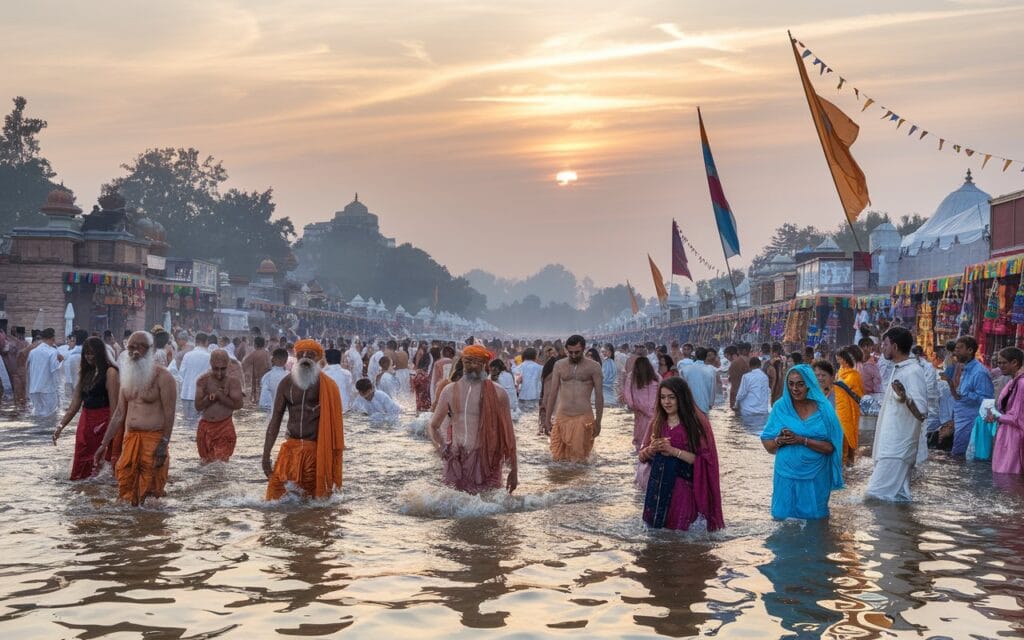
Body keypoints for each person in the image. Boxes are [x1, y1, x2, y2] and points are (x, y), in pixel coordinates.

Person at [92, 331, 177, 506]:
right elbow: (119, 414)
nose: (135, 352)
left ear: (151, 350)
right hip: (130, 440)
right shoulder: (127, 377)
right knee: (125, 491)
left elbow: (170, 415)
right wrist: (103, 444)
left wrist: (163, 445)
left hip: (153, 442)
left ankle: (149, 527)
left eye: (141, 347)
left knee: (151, 496)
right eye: (131, 347)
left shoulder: (164, 377)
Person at [428, 345, 517, 494]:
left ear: (484, 364)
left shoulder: (498, 393)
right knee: (454, 507)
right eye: (468, 361)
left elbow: (509, 434)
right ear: (462, 362)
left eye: (477, 362)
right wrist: (440, 445)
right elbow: (433, 425)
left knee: (486, 507)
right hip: (455, 458)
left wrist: (514, 471)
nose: (472, 366)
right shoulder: (449, 390)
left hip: (486, 460)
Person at [637, 377, 723, 531]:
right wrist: (651, 450)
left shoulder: (696, 424)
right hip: (657, 490)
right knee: (656, 539)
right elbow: (642, 456)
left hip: (683, 491)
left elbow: (703, 461)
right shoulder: (657, 422)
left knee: (679, 537)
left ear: (681, 398)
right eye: (662, 398)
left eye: (671, 397)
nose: (666, 402)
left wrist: (673, 451)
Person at [263, 339, 344, 500]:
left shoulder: (328, 386)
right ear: (296, 356)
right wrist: (266, 455)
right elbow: (275, 421)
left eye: (310, 354)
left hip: (315, 452)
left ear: (318, 359)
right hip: (290, 450)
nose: (305, 357)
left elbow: (334, 428)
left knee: (313, 502)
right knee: (274, 498)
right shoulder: (286, 384)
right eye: (301, 354)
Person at [760, 365, 844, 520]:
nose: (795, 389)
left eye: (800, 384)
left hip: (817, 476)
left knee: (816, 523)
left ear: (809, 384)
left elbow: (832, 448)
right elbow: (768, 444)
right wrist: (779, 440)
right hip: (785, 474)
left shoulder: (824, 410)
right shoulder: (780, 408)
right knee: (783, 522)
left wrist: (802, 440)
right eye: (791, 384)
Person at [866, 327, 927, 502]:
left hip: (897, 447)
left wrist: (905, 397)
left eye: (885, 344)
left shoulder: (912, 371)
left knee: (874, 497)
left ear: (895, 345)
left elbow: (922, 411)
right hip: (890, 444)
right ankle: (900, 528)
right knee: (899, 499)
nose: (882, 348)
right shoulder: (898, 368)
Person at [53, 337, 120, 480]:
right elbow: (74, 406)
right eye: (86, 353)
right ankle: (81, 487)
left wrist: (110, 434)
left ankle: (97, 492)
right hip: (85, 422)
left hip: (103, 422)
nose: (89, 356)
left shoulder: (110, 373)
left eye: (92, 353)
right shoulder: (85, 373)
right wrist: (60, 426)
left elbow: (115, 408)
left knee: (99, 462)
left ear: (100, 353)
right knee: (81, 456)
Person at [544, 335, 603, 462]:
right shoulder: (559, 365)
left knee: (580, 461)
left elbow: (599, 396)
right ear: (566, 350)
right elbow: (552, 393)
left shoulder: (594, 367)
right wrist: (547, 418)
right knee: (557, 459)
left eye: (577, 352)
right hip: (562, 417)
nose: (574, 355)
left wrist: (598, 421)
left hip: (583, 417)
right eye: (570, 352)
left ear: (583, 349)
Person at [194, 349, 244, 463]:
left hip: (225, 427)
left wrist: (220, 397)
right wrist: (211, 398)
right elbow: (198, 406)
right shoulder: (203, 380)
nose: (219, 373)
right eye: (216, 368)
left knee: (220, 465)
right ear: (211, 364)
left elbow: (239, 405)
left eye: (223, 369)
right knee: (205, 464)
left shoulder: (233, 381)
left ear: (228, 365)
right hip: (205, 428)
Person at [949, 336, 994, 458]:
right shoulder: (965, 368)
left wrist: (965, 394)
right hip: (962, 419)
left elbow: (987, 400)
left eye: (959, 349)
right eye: (956, 349)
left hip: (972, 422)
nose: (955, 352)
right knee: (959, 454)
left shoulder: (979, 372)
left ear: (969, 350)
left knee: (964, 456)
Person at [991, 347, 1024, 475]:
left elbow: (1018, 418)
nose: (1000, 366)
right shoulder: (1012, 381)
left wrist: (996, 416)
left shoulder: (1021, 384)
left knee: (1009, 475)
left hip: (1014, 437)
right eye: (999, 363)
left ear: (1015, 362)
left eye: (1003, 362)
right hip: (1006, 433)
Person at [833, 348, 864, 465]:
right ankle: (842, 461)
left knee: (848, 433)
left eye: (839, 358)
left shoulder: (854, 375)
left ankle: (849, 461)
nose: (837, 360)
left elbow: (858, 393)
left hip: (851, 409)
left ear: (845, 360)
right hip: (840, 408)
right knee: (841, 432)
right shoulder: (840, 372)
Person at [624, 356, 660, 455]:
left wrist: (632, 405)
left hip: (640, 410)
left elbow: (627, 393)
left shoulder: (632, 376)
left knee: (640, 433)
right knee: (653, 432)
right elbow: (662, 390)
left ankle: (640, 452)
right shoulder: (655, 376)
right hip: (653, 410)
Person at [27, 328, 64, 418]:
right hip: (48, 390)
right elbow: (55, 371)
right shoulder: (53, 352)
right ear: (52, 339)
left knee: (37, 414)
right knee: (50, 417)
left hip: (34, 390)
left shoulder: (32, 352)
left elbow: (28, 371)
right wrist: (61, 361)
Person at [178, 332, 212, 422]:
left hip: (186, 394)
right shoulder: (209, 356)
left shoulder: (187, 355)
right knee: (199, 423)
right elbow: (210, 376)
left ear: (196, 342)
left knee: (187, 421)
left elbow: (181, 374)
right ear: (206, 342)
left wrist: (184, 388)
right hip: (201, 395)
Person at [734, 356, 771, 430]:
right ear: (760, 365)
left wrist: (736, 405)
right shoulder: (765, 377)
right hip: (763, 412)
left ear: (749, 366)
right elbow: (768, 392)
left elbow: (741, 394)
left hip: (748, 412)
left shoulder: (746, 377)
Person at [681, 347, 717, 414]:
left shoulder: (685, 369)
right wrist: (711, 403)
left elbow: (682, 387)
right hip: (704, 404)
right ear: (706, 356)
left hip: (689, 405)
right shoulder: (711, 370)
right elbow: (713, 389)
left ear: (695, 356)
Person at [241, 336, 272, 406]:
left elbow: (244, 363)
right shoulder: (267, 353)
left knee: (257, 390)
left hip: (257, 376)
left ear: (255, 344)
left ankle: (257, 401)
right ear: (264, 344)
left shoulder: (254, 354)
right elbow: (270, 365)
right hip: (267, 375)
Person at [725, 345, 750, 410]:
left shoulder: (735, 364)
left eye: (727, 357)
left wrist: (732, 403)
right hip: (750, 397)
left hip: (738, 396)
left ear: (732, 355)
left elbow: (735, 386)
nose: (727, 360)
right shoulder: (749, 360)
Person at [411, 345, 434, 412]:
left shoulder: (418, 377)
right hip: (427, 407)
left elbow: (413, 391)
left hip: (420, 408)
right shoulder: (426, 376)